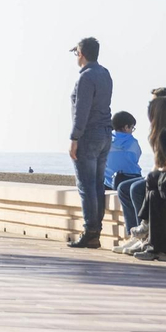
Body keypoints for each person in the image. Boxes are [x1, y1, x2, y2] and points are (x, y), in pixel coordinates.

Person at [66, 37, 114, 248]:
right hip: (105, 133)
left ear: (81, 54)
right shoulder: (105, 74)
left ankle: (91, 232)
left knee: (86, 186)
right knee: (97, 185)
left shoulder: (85, 77)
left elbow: (81, 111)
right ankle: (96, 230)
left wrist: (74, 138)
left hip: (89, 135)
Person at [116, 90, 166, 251]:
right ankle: (134, 233)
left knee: (136, 189)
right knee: (123, 188)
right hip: (159, 174)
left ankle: (145, 232)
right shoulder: (157, 132)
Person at [105, 110, 143, 191]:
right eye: (132, 127)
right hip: (132, 180)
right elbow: (136, 158)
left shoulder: (106, 141)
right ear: (126, 127)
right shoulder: (133, 142)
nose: (132, 131)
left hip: (109, 182)